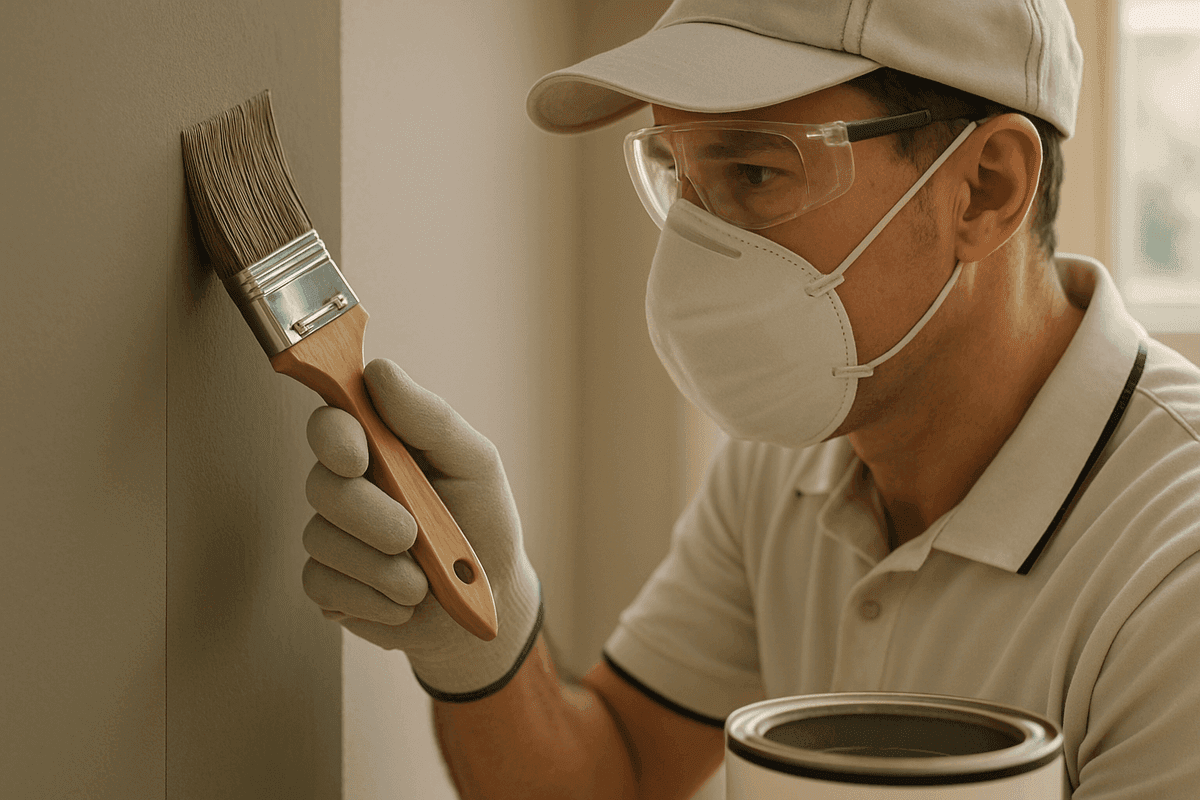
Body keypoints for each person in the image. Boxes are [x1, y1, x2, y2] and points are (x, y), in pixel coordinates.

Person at [299, 0, 1200, 797]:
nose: (694, 251)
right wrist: (484, 648)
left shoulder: (1173, 569)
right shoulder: (792, 458)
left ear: (986, 188)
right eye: (677, 177)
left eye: (756, 174)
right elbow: (617, 772)